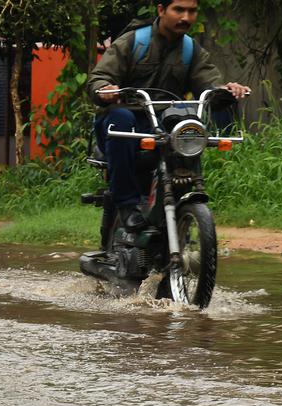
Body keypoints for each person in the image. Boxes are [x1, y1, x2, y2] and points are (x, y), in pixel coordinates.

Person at [87, 0, 249, 237]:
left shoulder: (191, 50)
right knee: (121, 117)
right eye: (179, 10)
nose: (185, 17)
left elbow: (208, 84)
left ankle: (182, 198)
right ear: (161, 10)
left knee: (186, 118)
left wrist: (226, 91)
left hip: (161, 124)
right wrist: (105, 89)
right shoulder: (133, 42)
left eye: (191, 11)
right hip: (122, 124)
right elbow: (98, 78)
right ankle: (127, 206)